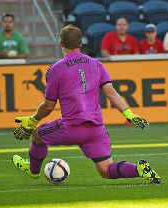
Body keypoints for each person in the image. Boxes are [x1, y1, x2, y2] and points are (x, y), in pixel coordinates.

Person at [11, 25, 160, 185]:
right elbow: (110, 92)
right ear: (81, 43)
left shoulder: (56, 69)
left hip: (70, 128)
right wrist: (128, 114)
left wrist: (33, 120)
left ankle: (33, 171)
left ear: (61, 44)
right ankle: (138, 169)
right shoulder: (96, 64)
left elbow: (48, 105)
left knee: (37, 134)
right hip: (95, 129)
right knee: (106, 169)